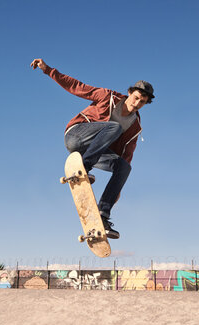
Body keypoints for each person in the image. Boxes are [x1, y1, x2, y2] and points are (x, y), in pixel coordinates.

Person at [30, 58, 155, 239]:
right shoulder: (107, 96)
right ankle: (84, 167)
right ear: (129, 93)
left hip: (95, 151)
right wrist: (48, 70)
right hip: (76, 136)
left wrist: (116, 189)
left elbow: (126, 155)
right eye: (136, 98)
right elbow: (77, 86)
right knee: (114, 127)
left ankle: (103, 216)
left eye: (142, 102)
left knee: (125, 167)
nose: (136, 104)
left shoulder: (136, 126)